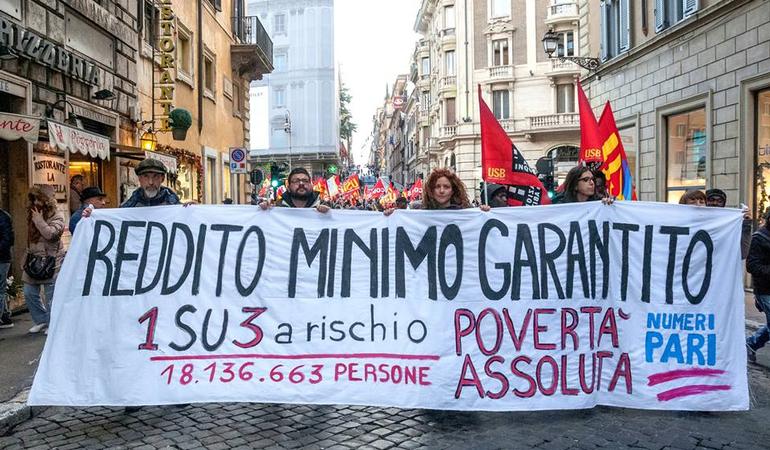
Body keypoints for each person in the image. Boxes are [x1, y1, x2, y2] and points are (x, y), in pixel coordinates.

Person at [23, 186, 65, 335]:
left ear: (46, 200)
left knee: (51, 295)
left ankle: (52, 322)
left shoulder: (57, 215)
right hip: (33, 259)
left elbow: (52, 234)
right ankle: (41, 320)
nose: (35, 202)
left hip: (51, 260)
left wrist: (39, 221)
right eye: (33, 198)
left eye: (38, 198)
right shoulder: (33, 213)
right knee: (29, 292)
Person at [746, 209, 770, 363]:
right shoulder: (759, 237)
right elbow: (752, 266)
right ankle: (752, 343)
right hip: (765, 290)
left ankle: (752, 343)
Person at [705, 188, 753, 258]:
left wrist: (746, 225)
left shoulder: (730, 223)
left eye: (719, 201)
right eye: (711, 200)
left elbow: (743, 252)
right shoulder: (695, 221)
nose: (715, 203)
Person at [259, 168, 330, 213]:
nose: (301, 183)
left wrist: (328, 214)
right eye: (296, 181)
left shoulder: (323, 204)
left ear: (311, 185)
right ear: (288, 187)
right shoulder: (278, 207)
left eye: (305, 180)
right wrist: (263, 211)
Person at [0, 207, 13, 329]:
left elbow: (8, 239)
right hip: (3, 257)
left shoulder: (4, 217)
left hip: (2, 258)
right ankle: (4, 316)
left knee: (0, 289)